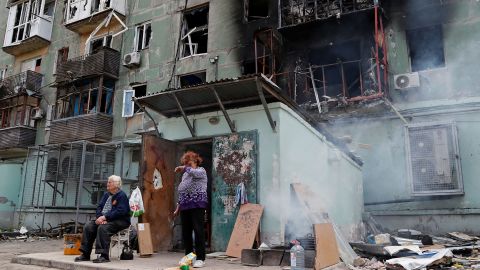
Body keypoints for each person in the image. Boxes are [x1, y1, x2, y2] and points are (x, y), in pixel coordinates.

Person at [74, 175, 130, 263]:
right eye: (108, 182)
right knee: (89, 226)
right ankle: (85, 254)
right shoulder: (106, 195)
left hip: (120, 220)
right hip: (105, 219)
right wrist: (99, 217)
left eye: (109, 182)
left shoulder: (121, 195)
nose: (107, 184)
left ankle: (104, 256)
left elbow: (120, 211)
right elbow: (99, 207)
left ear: (116, 184)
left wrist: (105, 217)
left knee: (103, 228)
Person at [173, 151, 208, 268]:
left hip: (197, 205)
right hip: (185, 206)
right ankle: (189, 257)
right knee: (186, 233)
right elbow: (182, 191)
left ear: (196, 161)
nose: (187, 165)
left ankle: (200, 258)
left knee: (198, 231)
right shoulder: (185, 175)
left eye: (189, 163)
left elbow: (194, 172)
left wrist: (184, 167)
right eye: (185, 163)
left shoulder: (201, 171)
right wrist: (178, 207)